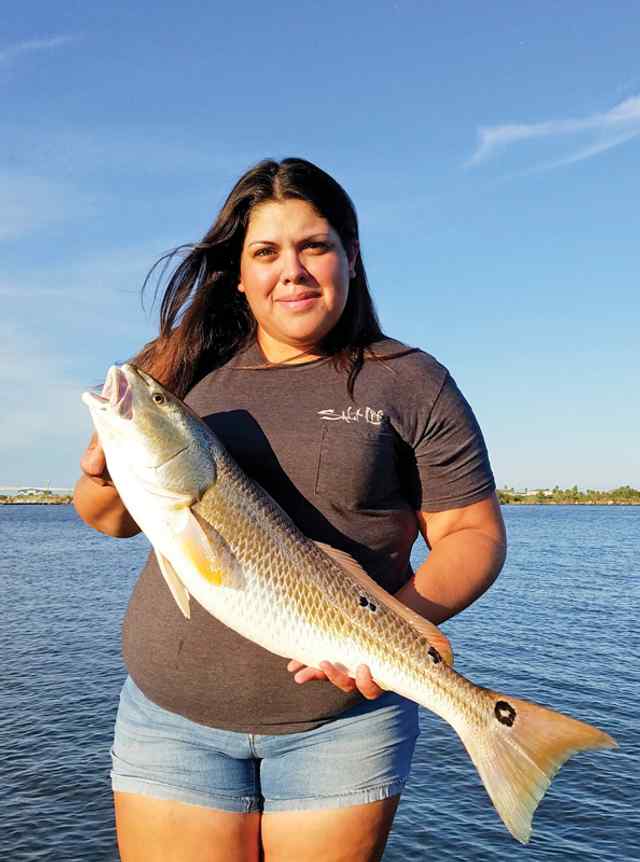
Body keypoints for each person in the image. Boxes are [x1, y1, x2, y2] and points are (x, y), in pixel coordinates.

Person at [74, 158, 506, 862]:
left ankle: (492, 730)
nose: (293, 270)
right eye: (266, 252)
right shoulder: (180, 365)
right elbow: (111, 518)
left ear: (350, 257)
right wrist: (101, 471)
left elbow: (471, 532)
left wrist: (402, 621)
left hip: (342, 726)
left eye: (314, 246)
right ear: (238, 274)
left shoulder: (410, 379)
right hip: (169, 723)